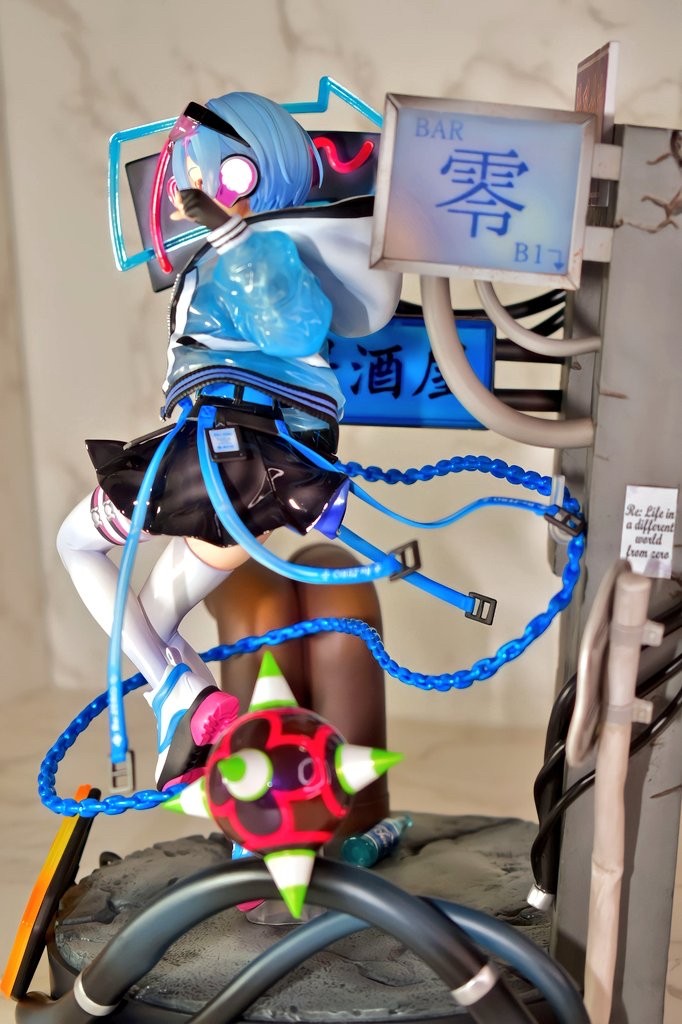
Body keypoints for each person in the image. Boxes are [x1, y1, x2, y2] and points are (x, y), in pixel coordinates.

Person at [57, 90, 401, 792]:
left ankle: (181, 698)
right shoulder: (234, 252)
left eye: (194, 168)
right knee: (149, 624)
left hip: (234, 454)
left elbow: (295, 325)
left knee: (77, 544)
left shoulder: (258, 249)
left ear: (238, 174)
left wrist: (233, 237)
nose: (180, 184)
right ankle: (197, 734)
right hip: (249, 468)